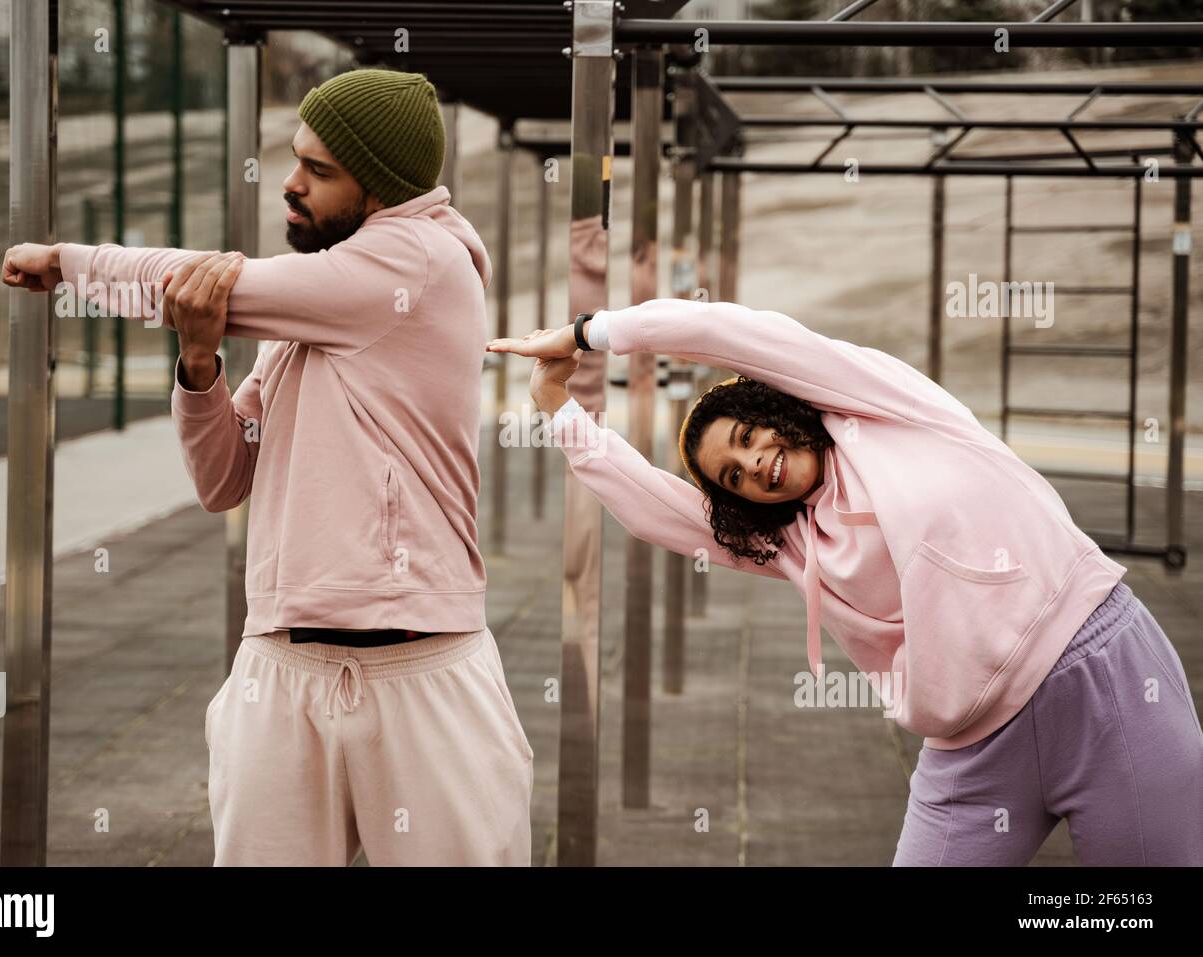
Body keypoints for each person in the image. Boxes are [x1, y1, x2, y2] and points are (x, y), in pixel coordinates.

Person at [2, 68, 533, 866]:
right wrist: (199, 361)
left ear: (382, 189)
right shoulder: (310, 314)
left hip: (420, 668)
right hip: (281, 666)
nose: (290, 185)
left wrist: (69, 263)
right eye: (296, 159)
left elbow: (202, 278)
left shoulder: (417, 259)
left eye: (319, 171)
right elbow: (224, 478)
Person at [487, 298, 1203, 866]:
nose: (754, 463)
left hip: (1103, 680)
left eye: (747, 436)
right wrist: (559, 410)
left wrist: (590, 332)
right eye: (732, 477)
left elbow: (723, 330)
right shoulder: (787, 543)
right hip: (975, 748)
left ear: (773, 411)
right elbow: (654, 508)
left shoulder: (876, 405)